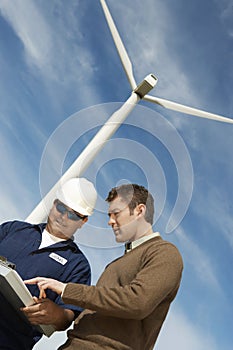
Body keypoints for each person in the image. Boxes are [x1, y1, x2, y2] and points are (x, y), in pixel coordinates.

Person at [25, 183, 183, 350]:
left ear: (139, 211)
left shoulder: (165, 253)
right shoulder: (117, 263)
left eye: (116, 214)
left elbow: (137, 302)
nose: (110, 222)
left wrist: (66, 290)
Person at [0, 177, 97, 350]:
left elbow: (67, 315)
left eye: (73, 214)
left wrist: (56, 314)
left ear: (83, 221)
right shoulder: (14, 229)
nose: (63, 217)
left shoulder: (78, 265)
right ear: (53, 204)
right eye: (61, 207)